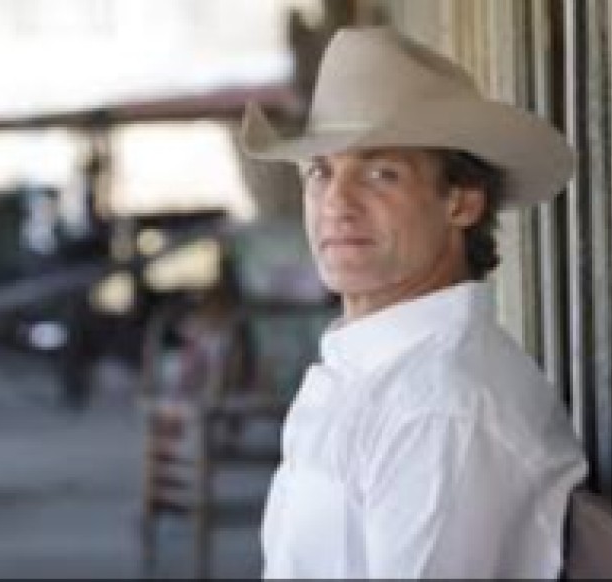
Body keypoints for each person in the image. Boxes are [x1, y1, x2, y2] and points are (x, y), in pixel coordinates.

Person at [240, 26, 587, 579]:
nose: (336, 204)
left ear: (462, 202)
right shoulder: (373, 369)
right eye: (321, 171)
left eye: (381, 174)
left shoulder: (440, 408)